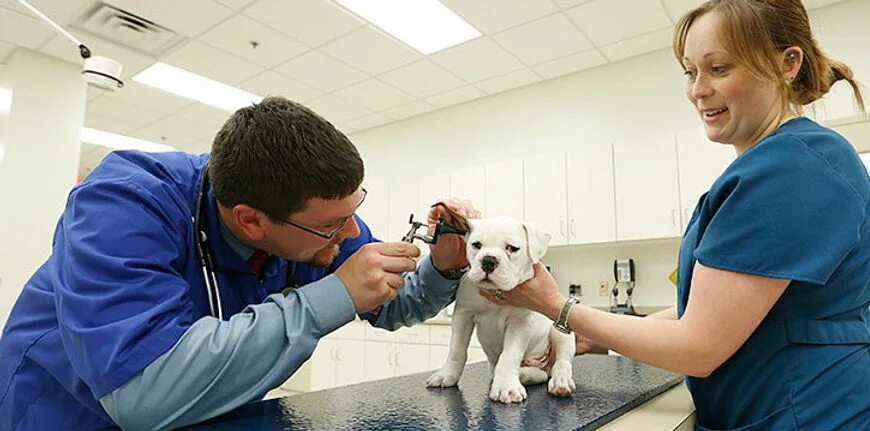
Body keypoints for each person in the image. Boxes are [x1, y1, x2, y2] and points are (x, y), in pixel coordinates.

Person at [484, 1, 869, 430]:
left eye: (719, 68)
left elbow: (698, 345)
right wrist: (593, 333)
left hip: (807, 416)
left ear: (787, 64)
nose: (697, 90)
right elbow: (705, 309)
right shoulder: (775, 166)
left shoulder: (792, 168)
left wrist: (555, 305)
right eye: (690, 72)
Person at [0, 97, 478, 430]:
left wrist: (444, 264)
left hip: (207, 413)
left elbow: (391, 303)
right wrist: (332, 297)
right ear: (251, 222)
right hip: (65, 414)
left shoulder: (312, 223)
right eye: (334, 225)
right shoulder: (122, 204)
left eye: (353, 211)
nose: (353, 234)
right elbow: (142, 395)